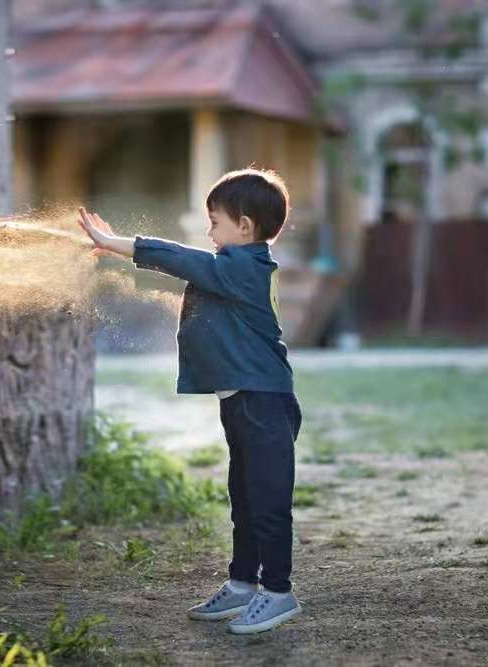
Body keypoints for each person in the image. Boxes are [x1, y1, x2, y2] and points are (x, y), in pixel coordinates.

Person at [76, 168, 303, 635]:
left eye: (215, 222)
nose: (209, 231)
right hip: (243, 401)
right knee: (244, 498)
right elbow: (194, 269)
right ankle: (242, 584)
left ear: (245, 227)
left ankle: (278, 592)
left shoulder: (244, 268)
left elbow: (182, 260)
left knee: (268, 501)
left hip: (264, 405)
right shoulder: (235, 268)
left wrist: (120, 243)